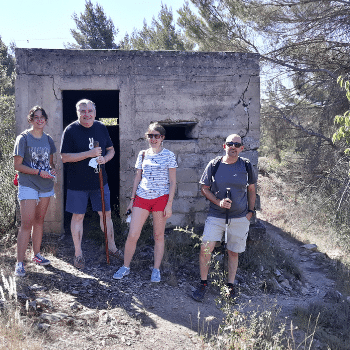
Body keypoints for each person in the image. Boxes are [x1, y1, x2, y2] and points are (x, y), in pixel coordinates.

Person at [192, 134, 257, 301]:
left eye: (237, 144)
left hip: (240, 217)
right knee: (206, 248)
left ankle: (230, 286)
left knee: (233, 252)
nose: (233, 146)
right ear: (224, 146)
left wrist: (250, 212)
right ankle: (203, 284)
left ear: (242, 148)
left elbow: (251, 190)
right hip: (216, 215)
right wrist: (218, 202)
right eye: (230, 143)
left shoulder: (246, 165)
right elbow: (204, 188)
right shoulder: (214, 164)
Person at [60, 99, 123, 269]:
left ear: (94, 112)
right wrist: (89, 154)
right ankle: (78, 254)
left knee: (106, 215)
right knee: (78, 216)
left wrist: (105, 158)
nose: (86, 114)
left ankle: (112, 247)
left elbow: (111, 150)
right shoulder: (71, 130)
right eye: (82, 111)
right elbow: (64, 157)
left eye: (89, 110)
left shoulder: (101, 127)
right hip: (77, 183)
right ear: (77, 112)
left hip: (100, 181)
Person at [113, 122, 177, 282]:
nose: (153, 139)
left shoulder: (169, 155)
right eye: (150, 135)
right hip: (142, 197)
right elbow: (137, 177)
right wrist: (131, 200)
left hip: (161, 198)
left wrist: (169, 204)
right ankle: (125, 267)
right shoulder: (142, 154)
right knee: (133, 234)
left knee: (158, 235)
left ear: (162, 138)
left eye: (157, 136)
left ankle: (156, 270)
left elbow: (173, 182)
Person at [13, 106, 57, 277]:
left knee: (39, 220)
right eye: (36, 117)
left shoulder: (49, 139)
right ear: (30, 119)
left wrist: (52, 171)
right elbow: (17, 165)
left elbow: (51, 164)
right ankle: (19, 263)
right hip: (28, 184)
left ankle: (36, 255)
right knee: (26, 223)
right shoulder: (23, 138)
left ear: (46, 120)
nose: (39, 120)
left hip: (45, 185)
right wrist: (38, 172)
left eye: (42, 117)